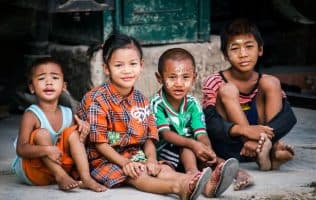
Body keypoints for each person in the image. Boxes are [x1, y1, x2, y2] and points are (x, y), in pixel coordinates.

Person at [77, 33, 213, 200]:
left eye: (133, 64)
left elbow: (149, 137)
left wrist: (151, 159)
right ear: (107, 68)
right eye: (119, 65)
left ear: (141, 65)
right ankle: (179, 188)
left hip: (134, 155)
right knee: (139, 176)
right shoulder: (97, 99)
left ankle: (206, 186)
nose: (127, 70)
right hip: (104, 160)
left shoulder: (141, 100)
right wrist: (125, 163)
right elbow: (100, 143)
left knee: (163, 170)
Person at [202, 18, 296, 175]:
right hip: (231, 146)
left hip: (262, 144)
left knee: (271, 82)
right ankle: (267, 151)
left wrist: (265, 139)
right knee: (228, 90)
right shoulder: (215, 81)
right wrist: (245, 132)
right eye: (235, 49)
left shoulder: (265, 82)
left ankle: (268, 149)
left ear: (260, 50)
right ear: (225, 55)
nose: (243, 54)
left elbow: (288, 117)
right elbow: (210, 122)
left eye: (249, 46)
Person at [150, 47, 240, 197]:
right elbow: (165, 134)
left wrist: (207, 148)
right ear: (160, 78)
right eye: (172, 77)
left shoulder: (193, 103)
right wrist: (194, 145)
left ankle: (216, 178)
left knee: (204, 152)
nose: (179, 83)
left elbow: (201, 133)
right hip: (164, 153)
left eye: (185, 77)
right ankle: (194, 175)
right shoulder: (157, 103)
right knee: (189, 145)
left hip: (189, 151)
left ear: (194, 77)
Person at [11, 57, 107, 192]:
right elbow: (21, 149)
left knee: (74, 133)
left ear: (64, 86)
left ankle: (86, 178)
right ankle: (61, 176)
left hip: (62, 166)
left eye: (55, 78)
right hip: (34, 171)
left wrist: (83, 127)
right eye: (41, 78)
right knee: (42, 133)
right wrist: (46, 150)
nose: (49, 82)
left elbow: (77, 144)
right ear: (32, 87)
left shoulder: (68, 113)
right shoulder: (31, 115)